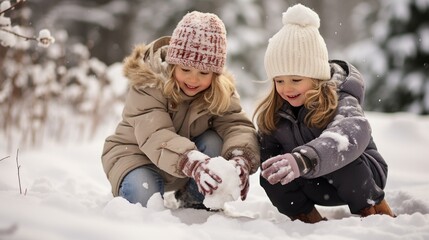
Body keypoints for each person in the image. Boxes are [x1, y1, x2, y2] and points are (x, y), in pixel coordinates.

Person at [101, 11, 259, 210]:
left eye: (203, 72)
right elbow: (155, 134)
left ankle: (194, 198)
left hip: (188, 166)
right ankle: (139, 191)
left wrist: (241, 158)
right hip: (136, 156)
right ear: (173, 64)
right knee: (143, 200)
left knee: (214, 140)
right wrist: (190, 161)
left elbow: (237, 125)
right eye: (185, 70)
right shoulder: (149, 84)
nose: (193, 79)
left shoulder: (219, 92)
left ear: (215, 74)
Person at [253, 4, 395, 223]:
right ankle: (306, 219)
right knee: (272, 173)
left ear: (316, 76)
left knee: (341, 156)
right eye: (279, 81)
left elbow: (351, 132)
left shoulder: (341, 98)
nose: (286, 88)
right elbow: (266, 149)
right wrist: (244, 162)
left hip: (363, 176)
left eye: (296, 80)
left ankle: (375, 212)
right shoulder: (277, 112)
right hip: (316, 182)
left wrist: (304, 159)